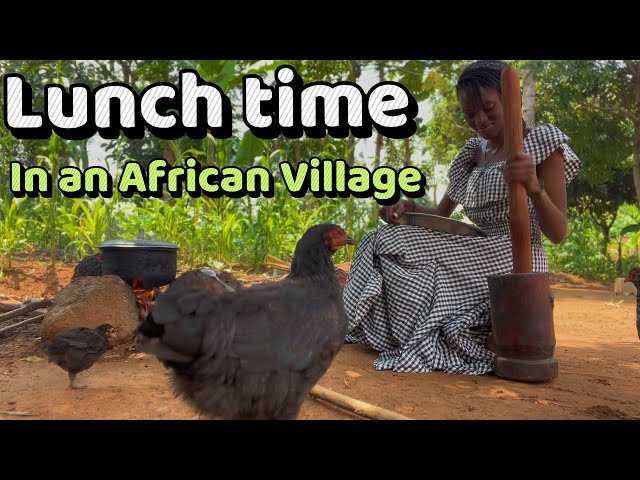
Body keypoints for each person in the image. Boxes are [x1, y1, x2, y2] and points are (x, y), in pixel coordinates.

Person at [343, 60, 582, 375]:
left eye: (488, 107)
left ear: (508, 97)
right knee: (379, 240)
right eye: (470, 114)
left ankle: (480, 329)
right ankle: (396, 328)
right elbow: (441, 215)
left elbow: (559, 232)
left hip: (518, 260)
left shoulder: (542, 143)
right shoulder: (473, 153)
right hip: (479, 249)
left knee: (388, 243)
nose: (480, 119)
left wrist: (534, 188)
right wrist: (409, 209)